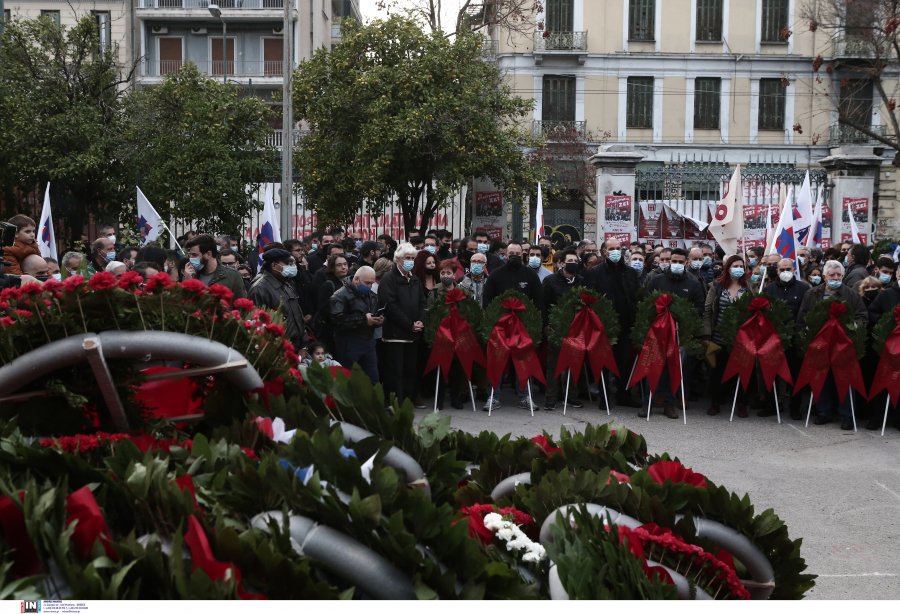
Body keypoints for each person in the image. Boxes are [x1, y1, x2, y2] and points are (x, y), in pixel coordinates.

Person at [796, 260, 868, 429]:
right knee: (822, 378)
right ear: (824, 276)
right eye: (832, 275)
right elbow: (803, 316)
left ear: (843, 276)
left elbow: (862, 316)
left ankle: (847, 415)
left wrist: (850, 329)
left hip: (843, 345)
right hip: (820, 344)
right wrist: (806, 332)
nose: (835, 278)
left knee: (845, 379)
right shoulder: (812, 294)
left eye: (838, 275)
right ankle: (823, 412)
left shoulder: (851, 295)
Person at [644, 247, 705, 419]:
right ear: (669, 261)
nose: (676, 264)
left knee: (673, 369)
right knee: (652, 366)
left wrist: (683, 316)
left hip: (680, 333)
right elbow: (647, 303)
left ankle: (669, 404)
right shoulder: (656, 280)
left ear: (686, 263)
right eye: (674, 261)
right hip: (658, 332)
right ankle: (647, 402)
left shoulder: (693, 284)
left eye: (680, 262)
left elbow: (699, 308)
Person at [585, 237, 642, 408]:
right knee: (604, 363)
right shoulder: (595, 272)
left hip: (625, 324)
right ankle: (604, 397)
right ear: (604, 252)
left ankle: (623, 395)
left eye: (619, 248)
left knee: (623, 361)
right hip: (603, 326)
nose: (616, 251)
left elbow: (636, 296)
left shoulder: (630, 273)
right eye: (612, 249)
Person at [704, 255, 752, 418]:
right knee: (717, 372)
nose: (738, 269)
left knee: (742, 371)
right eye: (735, 265)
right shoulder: (716, 287)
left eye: (741, 266)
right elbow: (708, 310)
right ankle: (715, 402)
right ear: (728, 268)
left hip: (742, 339)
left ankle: (742, 404)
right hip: (719, 338)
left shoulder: (749, 288)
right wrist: (707, 334)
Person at [377, 243, 425, 406]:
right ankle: (394, 402)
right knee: (395, 371)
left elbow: (421, 302)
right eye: (407, 258)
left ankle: (407, 400)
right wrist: (409, 324)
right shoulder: (388, 279)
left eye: (412, 258)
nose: (410, 261)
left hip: (413, 334)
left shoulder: (415, 279)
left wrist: (420, 320)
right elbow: (390, 306)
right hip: (395, 334)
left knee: (410, 370)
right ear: (398, 259)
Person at [542, 249, 584, 411]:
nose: (573, 264)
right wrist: (546, 325)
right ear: (561, 263)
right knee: (554, 365)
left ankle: (572, 396)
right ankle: (550, 399)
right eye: (570, 261)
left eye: (575, 261)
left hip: (575, 329)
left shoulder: (581, 280)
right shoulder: (550, 281)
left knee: (573, 363)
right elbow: (544, 305)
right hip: (555, 328)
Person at [248, 248, 309, 353]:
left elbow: (297, 315)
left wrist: (304, 345)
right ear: (274, 266)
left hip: (296, 346)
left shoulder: (286, 283)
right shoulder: (260, 289)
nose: (292, 267)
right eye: (288, 264)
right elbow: (258, 325)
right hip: (278, 349)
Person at [330, 265, 382, 382]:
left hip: (368, 342)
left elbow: (374, 312)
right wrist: (363, 319)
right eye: (367, 283)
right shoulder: (339, 296)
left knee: (373, 380)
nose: (370, 286)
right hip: (348, 344)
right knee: (348, 380)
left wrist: (378, 320)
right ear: (356, 279)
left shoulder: (371, 295)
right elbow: (337, 320)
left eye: (372, 283)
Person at [483, 242, 543, 307]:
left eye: (517, 253)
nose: (514, 255)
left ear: (522, 255)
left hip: (525, 314)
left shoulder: (531, 274)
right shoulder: (495, 274)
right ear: (506, 254)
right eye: (511, 253)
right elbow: (487, 298)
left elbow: (539, 299)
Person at [312, 253, 349, 350]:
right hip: (330, 331)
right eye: (339, 265)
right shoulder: (329, 284)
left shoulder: (347, 282)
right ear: (332, 268)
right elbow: (324, 309)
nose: (343, 267)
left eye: (345, 264)